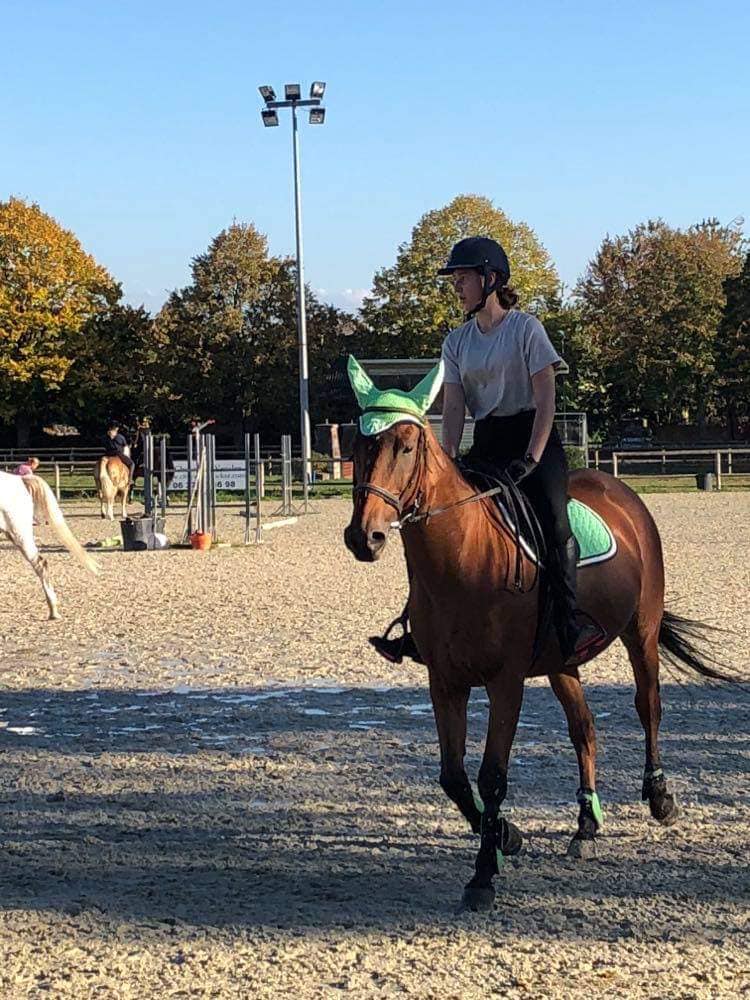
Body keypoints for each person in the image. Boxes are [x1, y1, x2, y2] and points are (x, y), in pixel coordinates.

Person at [374, 236, 600, 664]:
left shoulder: (526, 329)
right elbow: (455, 405)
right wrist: (449, 457)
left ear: (490, 279)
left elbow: (546, 399)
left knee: (553, 518)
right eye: (455, 280)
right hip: (489, 440)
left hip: (533, 437)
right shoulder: (456, 342)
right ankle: (416, 625)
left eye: (463, 278)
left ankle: (570, 624)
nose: (457, 287)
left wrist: (532, 458)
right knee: (431, 524)